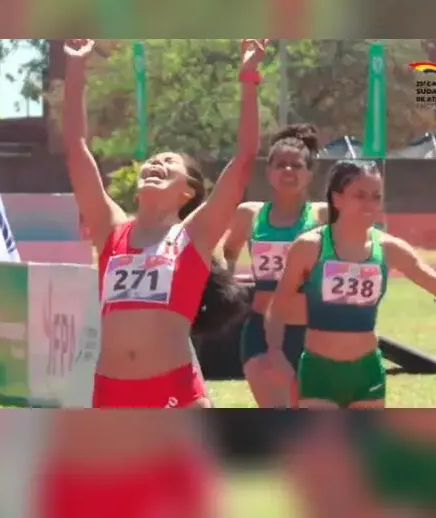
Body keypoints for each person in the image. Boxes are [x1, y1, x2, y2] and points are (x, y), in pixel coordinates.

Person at [34, 38, 267, 518]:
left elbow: (244, 160)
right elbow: (77, 150)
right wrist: (76, 71)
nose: (156, 164)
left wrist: (249, 79)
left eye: (170, 164)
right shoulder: (110, 229)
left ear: (188, 191)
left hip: (173, 393)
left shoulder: (195, 235)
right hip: (107, 393)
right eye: (151, 162)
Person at [266, 160, 436, 408]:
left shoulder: (390, 248)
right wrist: (275, 353)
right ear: (337, 198)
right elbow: (277, 307)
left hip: (367, 374)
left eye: (376, 197)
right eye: (360, 196)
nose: (370, 205)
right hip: (319, 372)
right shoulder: (309, 247)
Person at [222, 123, 326, 408]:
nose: (288, 171)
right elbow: (228, 251)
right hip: (260, 333)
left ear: (310, 172)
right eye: (280, 165)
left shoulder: (324, 216)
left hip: (312, 334)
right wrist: (226, 291)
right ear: (268, 172)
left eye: (296, 165)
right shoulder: (249, 215)